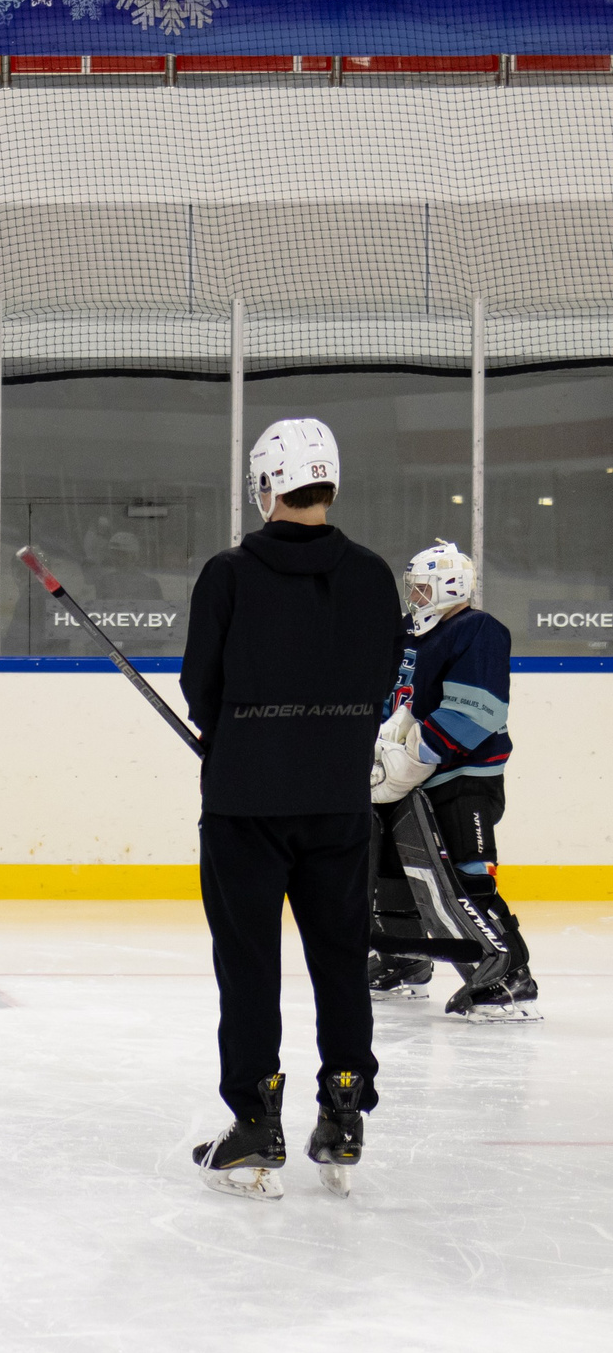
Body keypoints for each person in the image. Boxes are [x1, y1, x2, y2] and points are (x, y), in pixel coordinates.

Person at [180, 418, 404, 1200]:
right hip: (338, 802)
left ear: (265, 483)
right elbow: (383, 677)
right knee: (341, 960)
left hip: (245, 804)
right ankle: (343, 1114)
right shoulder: (373, 575)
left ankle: (256, 1121)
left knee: (249, 965)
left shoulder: (229, 573)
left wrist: (240, 737)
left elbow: (200, 686)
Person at [366, 540, 539, 1020]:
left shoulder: (477, 629)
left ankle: (509, 977)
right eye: (412, 588)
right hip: (406, 779)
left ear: (452, 586)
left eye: (423, 588)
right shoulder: (407, 633)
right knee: (390, 872)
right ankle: (404, 960)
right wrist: (377, 747)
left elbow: (479, 710)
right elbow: (390, 697)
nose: (414, 597)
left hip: (462, 777)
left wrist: (415, 754)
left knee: (467, 876)